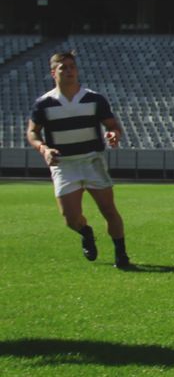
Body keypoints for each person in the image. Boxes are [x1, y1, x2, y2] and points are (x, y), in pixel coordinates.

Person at [26, 51, 132, 269]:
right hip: (63, 164)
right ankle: (86, 232)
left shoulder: (94, 99)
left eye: (72, 66)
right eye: (63, 67)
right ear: (53, 72)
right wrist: (43, 149)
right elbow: (32, 132)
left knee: (109, 210)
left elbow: (112, 125)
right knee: (70, 218)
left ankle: (121, 255)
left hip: (92, 160)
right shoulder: (44, 103)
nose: (69, 71)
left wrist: (114, 134)